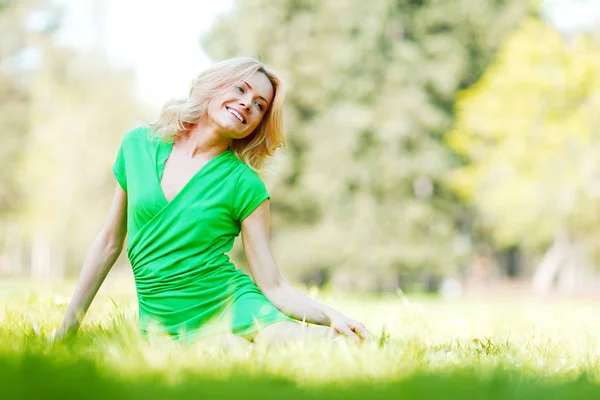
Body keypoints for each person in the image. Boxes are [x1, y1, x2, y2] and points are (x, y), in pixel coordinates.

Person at [56, 57, 369, 345]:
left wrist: (331, 317)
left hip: (235, 303)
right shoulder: (137, 145)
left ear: (259, 123)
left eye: (260, 105)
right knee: (227, 352)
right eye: (241, 89)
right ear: (215, 86)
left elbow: (273, 285)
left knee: (300, 344)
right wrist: (69, 326)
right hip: (163, 324)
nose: (248, 104)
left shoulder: (244, 184)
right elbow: (109, 242)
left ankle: (376, 346)